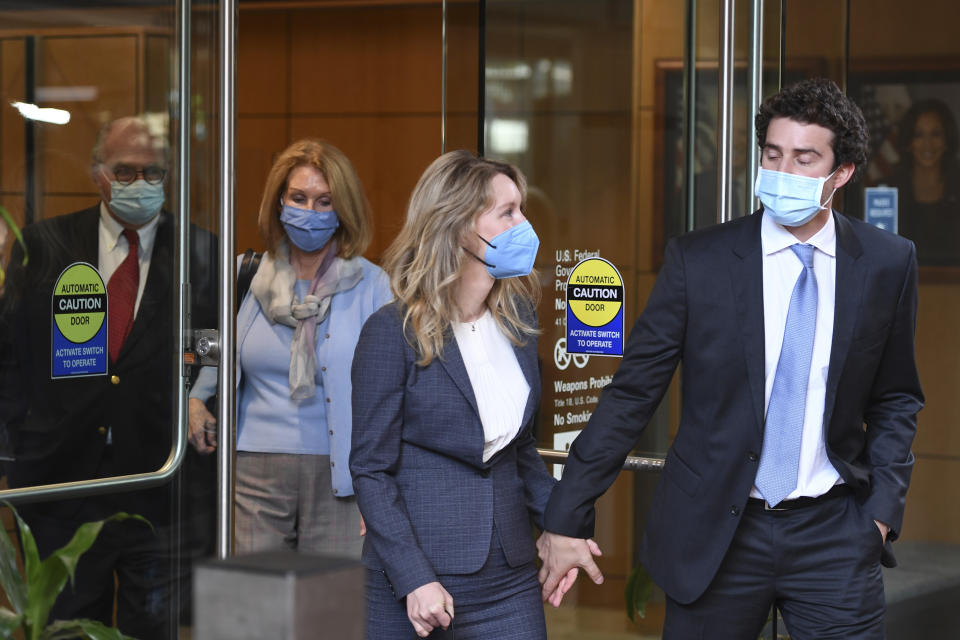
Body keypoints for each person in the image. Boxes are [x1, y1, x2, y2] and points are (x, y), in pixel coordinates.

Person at [537, 78, 924, 639]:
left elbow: (895, 396)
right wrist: (568, 512)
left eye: (804, 158)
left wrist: (880, 513)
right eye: (773, 154)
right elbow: (633, 393)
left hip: (834, 533)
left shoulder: (888, 263)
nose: (782, 171)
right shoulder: (701, 260)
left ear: (841, 174)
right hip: (716, 533)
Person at [0, 116, 218, 639]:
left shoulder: (201, 251)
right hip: (62, 484)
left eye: (152, 172)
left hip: (160, 488)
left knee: (154, 629)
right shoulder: (42, 244)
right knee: (67, 629)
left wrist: (197, 401)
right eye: (124, 171)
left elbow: (212, 352)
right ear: (98, 172)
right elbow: (10, 359)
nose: (139, 184)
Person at [350, 150, 559, 639]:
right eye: (507, 212)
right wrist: (414, 578)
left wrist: (561, 524)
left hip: (510, 578)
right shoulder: (392, 332)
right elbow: (370, 469)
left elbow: (520, 448)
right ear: (460, 225)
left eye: (521, 208)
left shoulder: (519, 325)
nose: (523, 223)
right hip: (418, 580)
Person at [188, 138, 391, 557]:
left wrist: (384, 486)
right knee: (258, 611)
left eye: (323, 201)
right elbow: (215, 341)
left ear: (343, 210)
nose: (309, 212)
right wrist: (196, 399)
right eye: (298, 198)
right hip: (253, 467)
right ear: (279, 202)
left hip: (341, 474)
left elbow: (393, 390)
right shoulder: (247, 275)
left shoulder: (374, 286)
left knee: (327, 613)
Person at [889, 99, 960, 266]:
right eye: (918, 135)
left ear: (947, 140)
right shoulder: (889, 189)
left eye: (936, 134)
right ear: (908, 142)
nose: (927, 144)